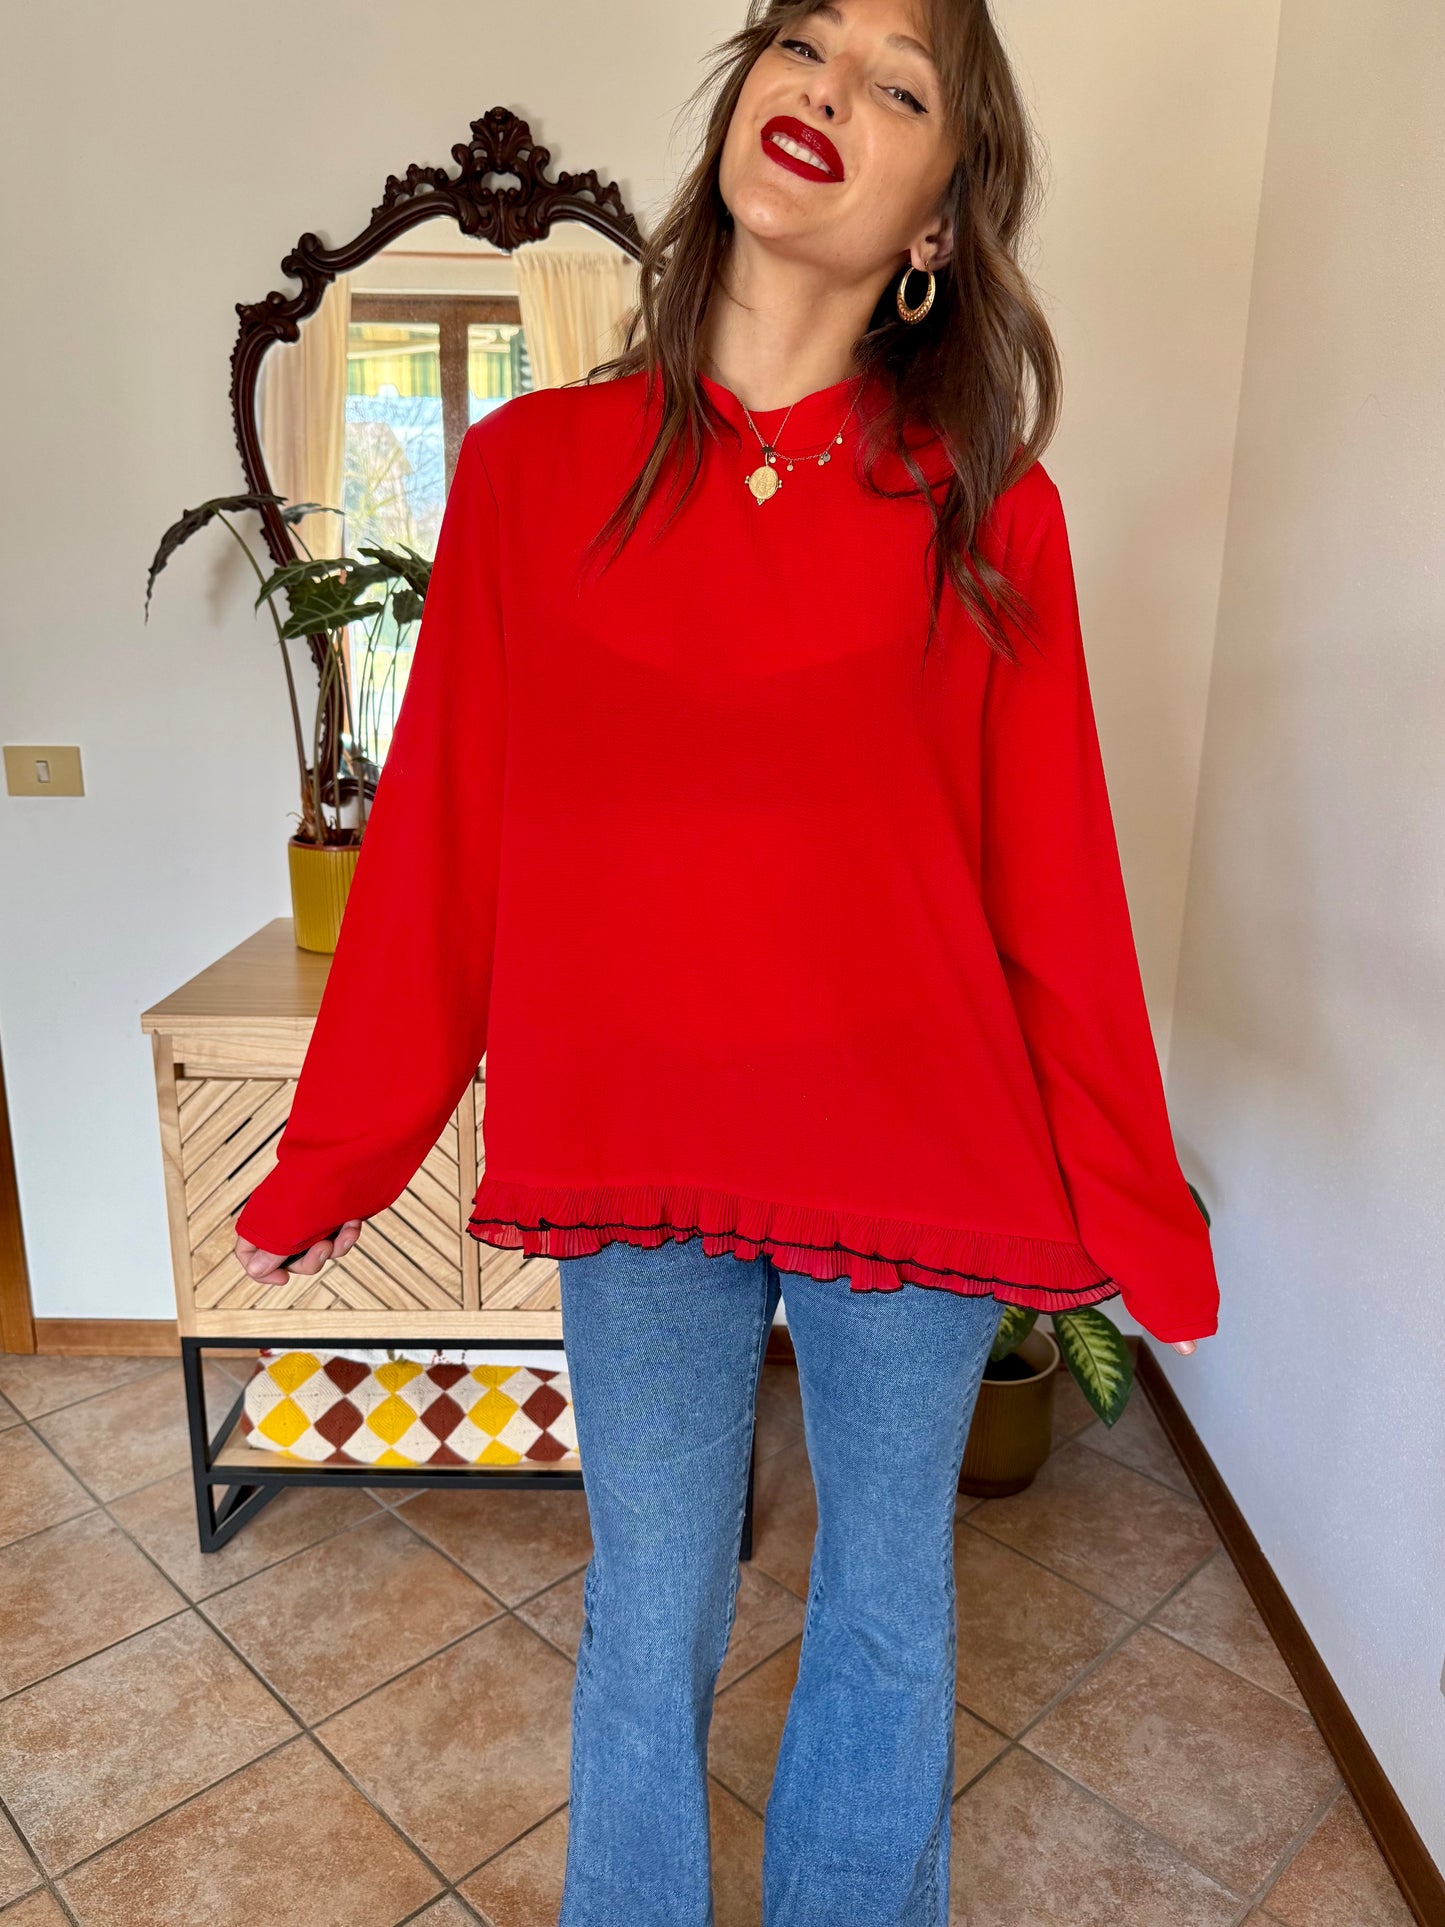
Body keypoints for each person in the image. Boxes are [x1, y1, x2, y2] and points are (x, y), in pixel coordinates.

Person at [235, 0, 1220, 1918]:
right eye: (802, 43)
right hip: (638, 1147)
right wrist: (344, 1145)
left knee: (883, 1606)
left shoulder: (986, 508)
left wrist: (1132, 1203)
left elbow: (1053, 884)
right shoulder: (532, 471)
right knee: (652, 1600)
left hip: (916, 1150)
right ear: (742, 97)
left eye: (897, 85)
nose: (826, 88)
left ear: (937, 218)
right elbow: (443, 840)